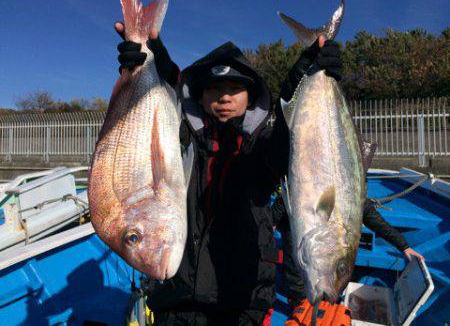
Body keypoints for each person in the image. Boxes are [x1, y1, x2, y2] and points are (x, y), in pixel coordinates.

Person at [114, 22, 424, 325]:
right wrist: (148, 66)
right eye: (214, 88)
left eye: (235, 88)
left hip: (242, 303)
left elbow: (287, 139)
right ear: (200, 96)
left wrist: (303, 75)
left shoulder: (261, 146)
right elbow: (154, 116)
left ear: (251, 97)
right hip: (175, 299)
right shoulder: (178, 142)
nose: (224, 97)